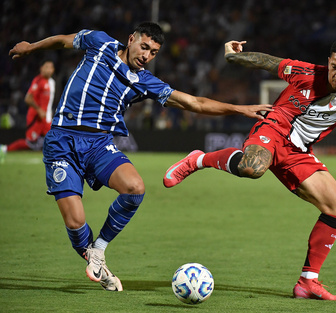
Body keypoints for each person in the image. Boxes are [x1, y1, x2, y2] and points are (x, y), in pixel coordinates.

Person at [9, 23, 272, 292]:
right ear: (131, 39)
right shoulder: (99, 43)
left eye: (154, 52)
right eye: (144, 47)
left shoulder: (145, 82)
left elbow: (194, 103)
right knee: (75, 222)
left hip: (98, 145)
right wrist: (32, 47)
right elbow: (64, 40)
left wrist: (241, 109)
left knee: (135, 188)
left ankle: (98, 251)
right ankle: (93, 259)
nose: (146, 56)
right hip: (61, 142)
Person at [163, 39, 336, 301]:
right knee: (252, 168)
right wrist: (233, 57)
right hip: (274, 128)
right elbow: (268, 62)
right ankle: (198, 160)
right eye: (334, 66)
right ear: (328, 62)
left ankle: (307, 283)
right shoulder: (307, 73)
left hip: (298, 152)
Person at [5, 60, 55, 152]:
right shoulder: (38, 80)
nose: (49, 70)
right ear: (41, 68)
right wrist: (39, 110)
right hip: (36, 117)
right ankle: (5, 149)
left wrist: (50, 113)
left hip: (46, 118)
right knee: (30, 143)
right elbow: (28, 98)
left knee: (53, 140)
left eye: (51, 67)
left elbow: (50, 102)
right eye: (46, 67)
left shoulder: (52, 82)